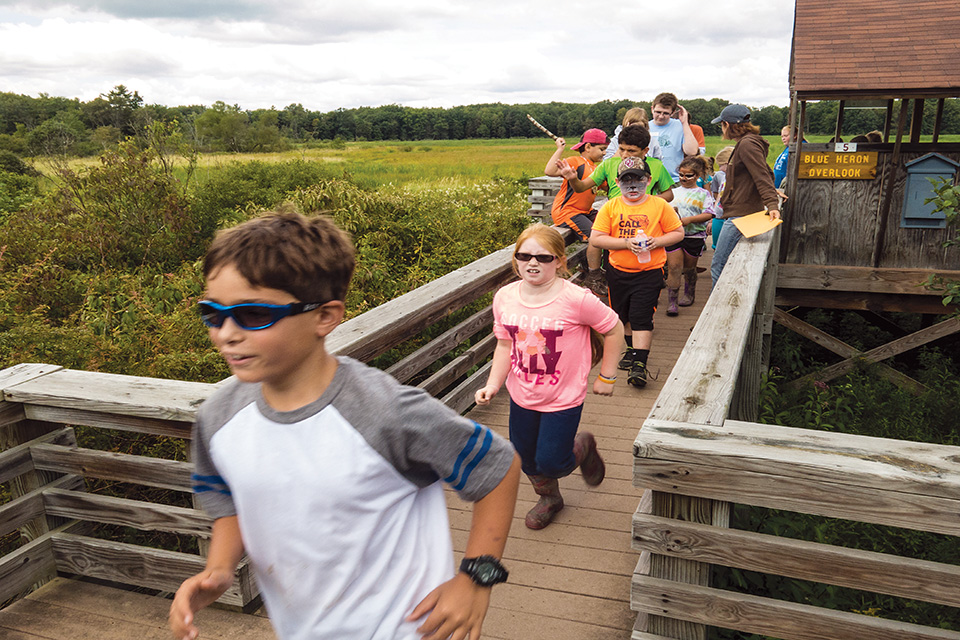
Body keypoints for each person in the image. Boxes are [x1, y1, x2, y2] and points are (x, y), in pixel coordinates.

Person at [169, 208, 522, 640]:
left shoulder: (384, 411)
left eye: (252, 314)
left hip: (409, 630)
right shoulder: (218, 417)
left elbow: (497, 466)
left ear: (325, 317)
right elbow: (225, 493)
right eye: (213, 313)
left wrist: (476, 579)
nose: (225, 333)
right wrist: (219, 570)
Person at [475, 223, 623, 530]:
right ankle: (550, 499)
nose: (532, 263)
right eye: (524, 255)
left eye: (542, 257)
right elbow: (504, 344)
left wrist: (607, 376)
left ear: (559, 260)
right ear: (515, 259)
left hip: (563, 397)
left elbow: (613, 328)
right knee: (526, 459)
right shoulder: (505, 297)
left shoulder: (575, 298)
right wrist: (492, 384)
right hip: (522, 394)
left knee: (554, 461)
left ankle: (581, 448)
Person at [589, 157, 684, 387]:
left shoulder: (659, 206)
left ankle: (640, 364)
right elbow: (596, 238)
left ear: (649, 180)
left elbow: (678, 233)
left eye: (638, 179)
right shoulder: (610, 207)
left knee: (642, 316)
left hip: (648, 272)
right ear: (617, 182)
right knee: (624, 316)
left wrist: (657, 241)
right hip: (618, 272)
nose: (633, 186)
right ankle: (631, 352)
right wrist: (625, 243)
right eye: (626, 180)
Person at [709, 104, 781, 289]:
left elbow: (761, 175)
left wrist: (772, 204)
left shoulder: (747, 144)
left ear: (727, 124)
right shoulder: (749, 142)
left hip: (740, 215)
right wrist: (774, 193)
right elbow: (766, 171)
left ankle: (718, 311)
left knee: (719, 266)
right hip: (742, 212)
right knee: (728, 265)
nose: (721, 130)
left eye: (721, 126)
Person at [544, 128, 609, 297]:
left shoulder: (595, 167)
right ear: (588, 147)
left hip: (585, 211)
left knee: (609, 229)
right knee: (595, 237)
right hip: (568, 212)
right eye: (601, 149)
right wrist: (560, 149)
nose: (604, 152)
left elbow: (607, 186)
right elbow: (550, 171)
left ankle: (600, 270)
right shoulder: (576, 161)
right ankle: (592, 277)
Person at [558, 125, 675, 202]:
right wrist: (573, 179)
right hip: (615, 215)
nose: (624, 155)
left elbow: (668, 194)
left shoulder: (656, 165)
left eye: (631, 151)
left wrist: (645, 200)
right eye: (621, 149)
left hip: (645, 216)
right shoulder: (608, 164)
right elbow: (581, 187)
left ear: (645, 151)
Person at [664, 156, 715, 315]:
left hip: (694, 236)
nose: (683, 178)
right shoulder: (672, 193)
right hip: (674, 235)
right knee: (674, 267)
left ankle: (689, 291)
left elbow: (709, 214)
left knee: (689, 268)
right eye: (681, 174)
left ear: (698, 176)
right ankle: (672, 301)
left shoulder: (703, 194)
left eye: (688, 175)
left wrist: (689, 220)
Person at [648, 92, 699, 181]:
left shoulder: (680, 126)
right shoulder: (645, 127)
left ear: (673, 112)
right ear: (652, 109)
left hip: (674, 180)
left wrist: (685, 122)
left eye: (666, 113)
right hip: (650, 179)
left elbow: (692, 151)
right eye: (658, 112)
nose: (661, 116)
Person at [710, 145, 735, 250]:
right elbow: (717, 193)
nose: (719, 169)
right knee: (717, 246)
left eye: (721, 165)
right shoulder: (720, 175)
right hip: (719, 215)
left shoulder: (740, 177)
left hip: (732, 216)